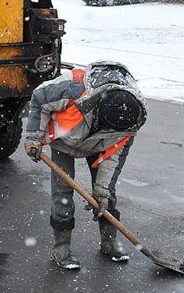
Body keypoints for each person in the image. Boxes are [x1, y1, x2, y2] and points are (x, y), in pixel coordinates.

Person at [23, 61, 147, 270]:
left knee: (107, 194)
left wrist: (101, 192)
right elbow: (38, 98)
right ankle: (61, 247)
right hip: (64, 140)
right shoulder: (73, 88)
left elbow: (113, 159)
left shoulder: (130, 119)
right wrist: (34, 136)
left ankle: (109, 242)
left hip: (99, 145)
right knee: (62, 192)